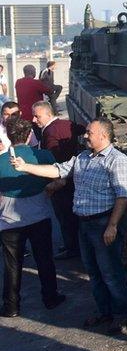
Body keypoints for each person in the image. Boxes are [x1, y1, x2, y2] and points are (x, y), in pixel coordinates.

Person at [11, 118, 127, 335]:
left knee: (111, 273)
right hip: (84, 225)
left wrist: (113, 226)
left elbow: (122, 196)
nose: (85, 135)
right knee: (94, 273)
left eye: (89, 133)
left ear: (104, 136)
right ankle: (104, 310)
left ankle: (121, 314)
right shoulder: (82, 158)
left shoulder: (117, 160)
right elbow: (57, 170)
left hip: (103, 223)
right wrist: (26, 167)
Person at [0, 119, 65, 317]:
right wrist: (49, 189)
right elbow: (59, 179)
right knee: (45, 259)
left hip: (9, 221)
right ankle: (51, 297)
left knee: (12, 265)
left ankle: (11, 306)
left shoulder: (1, 161)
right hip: (39, 216)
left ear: (9, 136)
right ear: (29, 135)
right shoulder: (42, 155)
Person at [32, 101, 80, 260]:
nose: (34, 120)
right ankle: (75, 245)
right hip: (73, 178)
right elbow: (80, 130)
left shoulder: (49, 133)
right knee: (72, 215)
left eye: (37, 116)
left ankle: (71, 248)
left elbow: (55, 157)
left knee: (64, 216)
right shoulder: (66, 123)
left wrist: (56, 181)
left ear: (48, 114)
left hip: (60, 181)